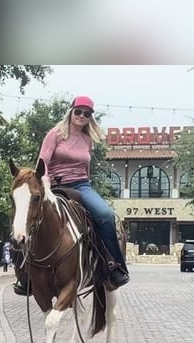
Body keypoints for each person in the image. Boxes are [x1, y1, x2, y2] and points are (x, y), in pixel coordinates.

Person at [13, 95, 129, 295]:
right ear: (71, 112)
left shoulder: (87, 140)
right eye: (78, 111)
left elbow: (86, 168)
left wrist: (88, 187)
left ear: (90, 117)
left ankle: (113, 266)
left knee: (105, 216)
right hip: (54, 184)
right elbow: (43, 163)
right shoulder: (55, 134)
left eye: (87, 113)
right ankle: (24, 276)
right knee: (24, 217)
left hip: (81, 185)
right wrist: (45, 183)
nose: (82, 116)